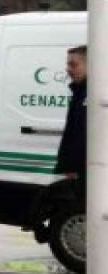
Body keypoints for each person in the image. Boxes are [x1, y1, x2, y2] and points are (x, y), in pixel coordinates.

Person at [55, 45, 87, 187]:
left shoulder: (97, 95)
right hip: (78, 173)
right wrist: (67, 167)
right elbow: (71, 133)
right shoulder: (79, 92)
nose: (68, 69)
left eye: (73, 64)